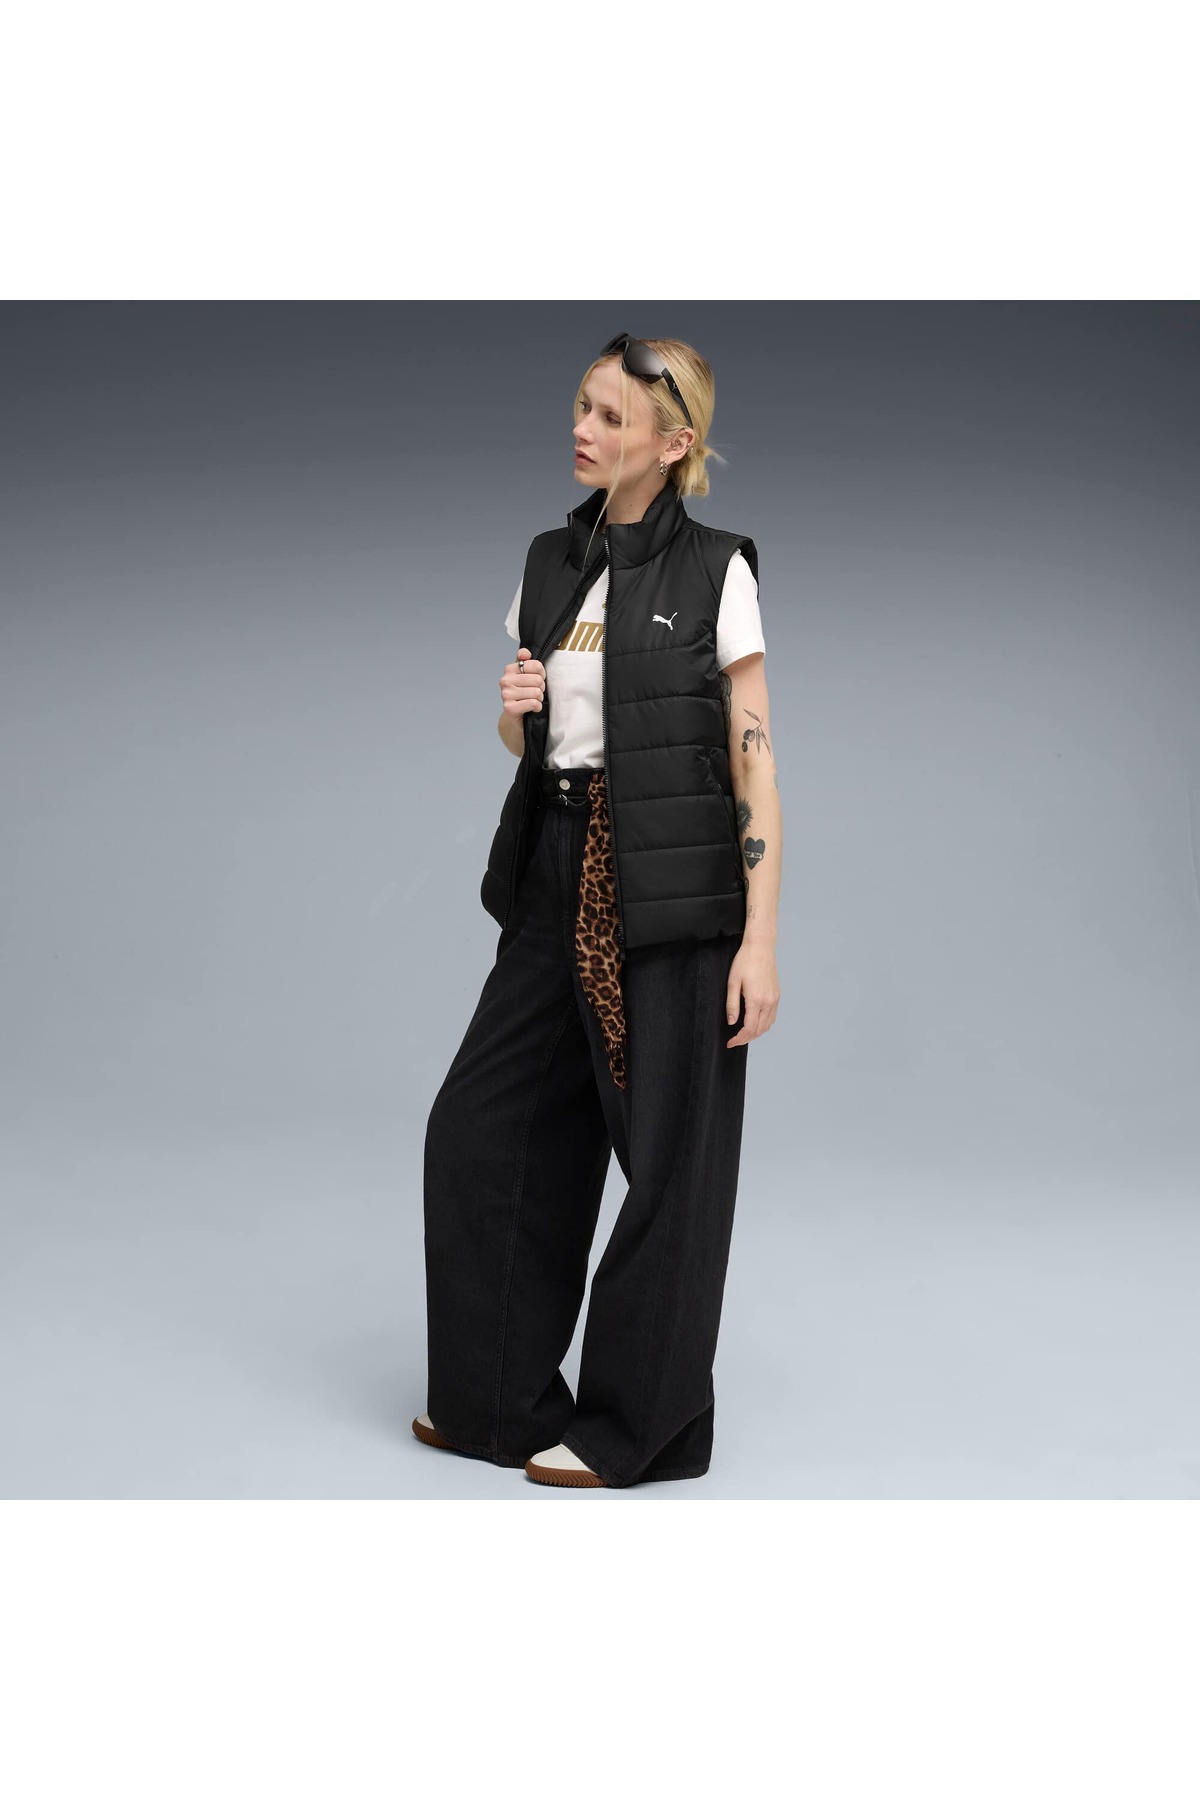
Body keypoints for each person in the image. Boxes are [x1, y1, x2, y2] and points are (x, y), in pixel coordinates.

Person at [417, 331, 781, 1489]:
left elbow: (755, 760)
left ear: (675, 445)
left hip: (670, 882)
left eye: (613, 417)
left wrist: (760, 941)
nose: (584, 429)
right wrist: (515, 710)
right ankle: (495, 1402)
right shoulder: (547, 562)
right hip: (553, 864)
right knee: (481, 1131)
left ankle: (640, 1429)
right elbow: (529, 740)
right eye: (583, 405)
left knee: (670, 1159)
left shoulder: (716, 570)